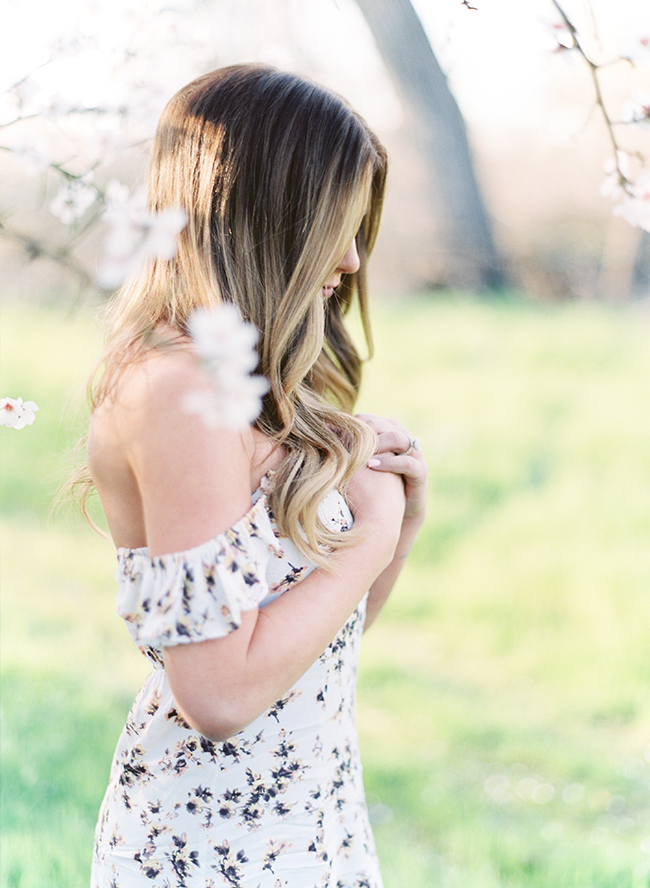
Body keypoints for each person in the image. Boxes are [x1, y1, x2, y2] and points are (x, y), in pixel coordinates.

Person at [83, 64, 427, 888]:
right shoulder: (177, 391)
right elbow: (221, 695)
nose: (349, 259)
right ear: (270, 218)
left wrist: (398, 525)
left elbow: (317, 643)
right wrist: (369, 535)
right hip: (212, 843)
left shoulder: (251, 383)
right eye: (335, 225)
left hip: (312, 817)